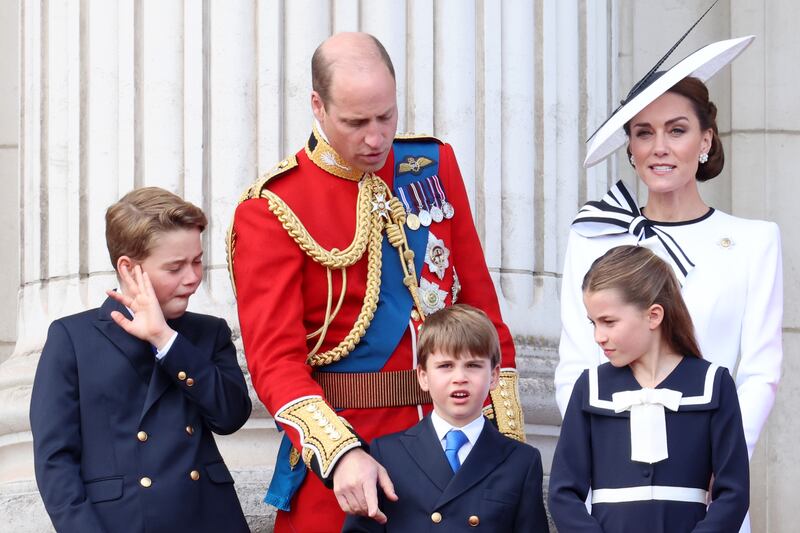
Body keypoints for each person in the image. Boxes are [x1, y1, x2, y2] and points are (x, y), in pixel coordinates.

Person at [227, 32, 522, 532]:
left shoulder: (431, 165)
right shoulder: (271, 209)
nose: (375, 138)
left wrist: (504, 437)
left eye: (386, 117)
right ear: (318, 107)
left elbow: (481, 310)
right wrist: (339, 454)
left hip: (451, 440)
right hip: (351, 453)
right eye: (356, 122)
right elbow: (275, 364)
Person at [555, 34, 781, 533]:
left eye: (676, 130)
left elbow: (760, 372)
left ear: (705, 141)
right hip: (615, 498)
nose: (659, 147)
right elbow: (576, 368)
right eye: (643, 132)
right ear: (629, 147)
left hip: (709, 494)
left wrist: (717, 460)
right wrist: (604, 464)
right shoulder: (592, 238)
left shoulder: (753, 241)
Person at [30, 187, 252, 533]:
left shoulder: (209, 333)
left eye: (197, 261)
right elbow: (55, 461)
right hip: (120, 523)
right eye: (175, 267)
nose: (193, 278)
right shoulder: (72, 338)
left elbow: (230, 416)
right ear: (129, 268)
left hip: (207, 518)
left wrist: (166, 339)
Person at [549, 245, 749, 532]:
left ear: (654, 315)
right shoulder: (590, 387)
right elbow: (563, 494)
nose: (598, 336)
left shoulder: (713, 384)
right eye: (593, 323)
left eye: (608, 322)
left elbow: (734, 492)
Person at [342, 304, 548, 532]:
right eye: (446, 366)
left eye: (473, 365)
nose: (459, 377)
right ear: (423, 376)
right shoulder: (387, 454)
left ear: (494, 375)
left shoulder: (520, 461)